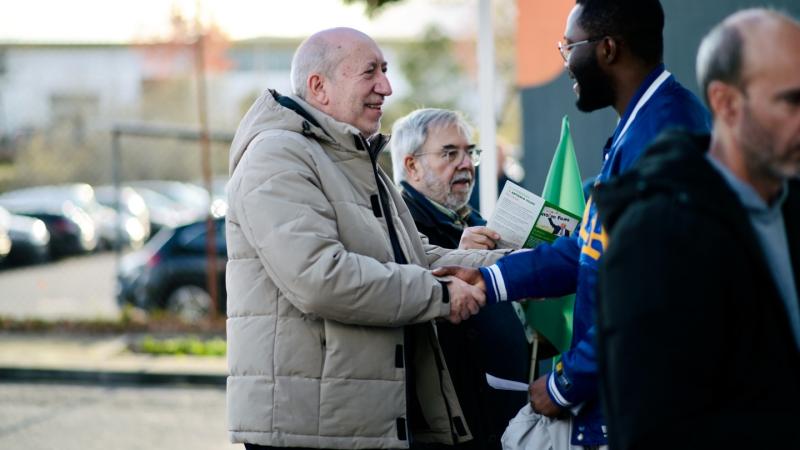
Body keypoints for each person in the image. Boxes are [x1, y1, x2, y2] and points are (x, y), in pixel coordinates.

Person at [435, 0, 710, 447]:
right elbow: (586, 248)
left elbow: (649, 297)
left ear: (608, 49)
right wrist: (488, 279)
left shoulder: (666, 134)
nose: (565, 63)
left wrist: (565, 382)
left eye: (568, 47)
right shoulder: (642, 123)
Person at [225, 28, 508, 450]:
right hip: (310, 429)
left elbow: (413, 255)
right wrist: (442, 295)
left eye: (385, 71)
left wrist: (518, 264)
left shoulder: (352, 157)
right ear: (319, 87)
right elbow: (321, 278)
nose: (386, 87)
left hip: (352, 418)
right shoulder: (276, 156)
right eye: (370, 72)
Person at [593, 9, 800, 449]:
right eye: (792, 101)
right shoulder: (654, 238)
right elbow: (653, 430)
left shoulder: (788, 206)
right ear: (725, 103)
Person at [390, 108, 530, 449]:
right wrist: (457, 254)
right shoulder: (397, 227)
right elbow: (407, 297)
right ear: (412, 166)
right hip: (451, 427)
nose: (466, 164)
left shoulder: (475, 221)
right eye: (450, 153)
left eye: (470, 152)